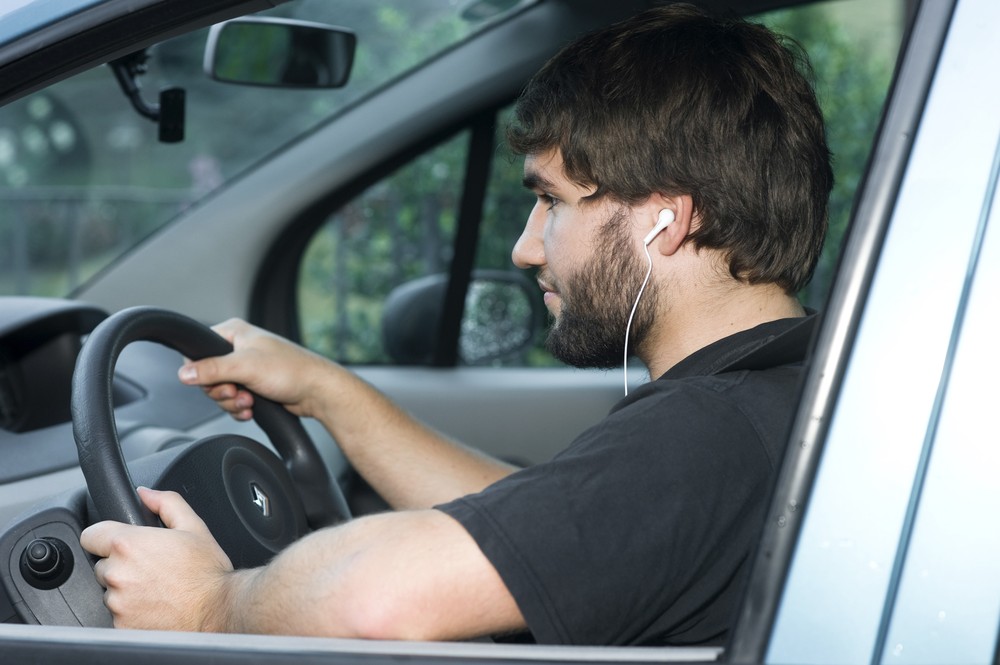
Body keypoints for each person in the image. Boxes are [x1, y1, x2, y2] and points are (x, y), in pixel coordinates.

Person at [80, 3, 831, 647]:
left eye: (555, 201)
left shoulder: (708, 431)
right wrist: (326, 390)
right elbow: (539, 528)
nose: (525, 246)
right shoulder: (782, 392)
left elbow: (375, 601)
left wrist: (212, 605)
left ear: (668, 217)